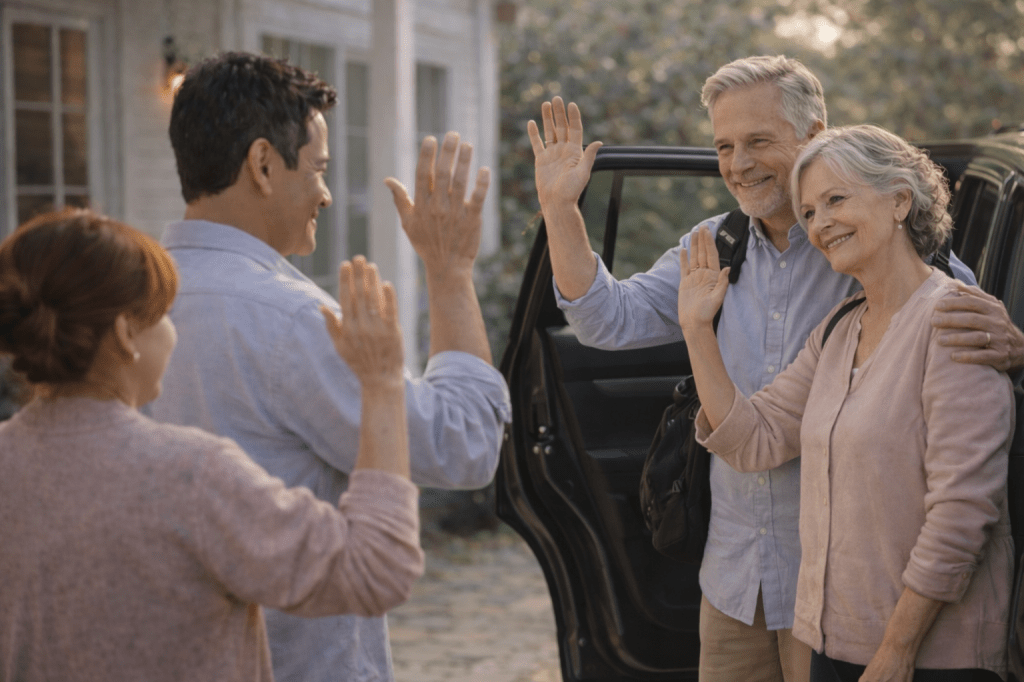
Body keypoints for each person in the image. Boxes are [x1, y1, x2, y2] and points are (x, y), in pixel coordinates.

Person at [529, 55, 1024, 682]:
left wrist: (1017, 345)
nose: (739, 164)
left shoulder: (880, 264)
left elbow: (961, 357)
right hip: (735, 578)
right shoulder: (714, 247)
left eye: (759, 141)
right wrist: (561, 209)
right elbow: (605, 320)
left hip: (849, 593)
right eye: (725, 146)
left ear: (814, 134)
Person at [149, 52, 510, 682]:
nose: (325, 192)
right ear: (263, 164)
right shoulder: (292, 321)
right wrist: (449, 272)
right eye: (317, 168)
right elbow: (463, 444)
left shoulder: (135, 301)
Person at [0, 208, 424, 681]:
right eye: (163, 315)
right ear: (125, 334)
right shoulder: (189, 474)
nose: (172, 330)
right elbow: (375, 568)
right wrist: (383, 385)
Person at [679, 124, 1012, 681]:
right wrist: (696, 328)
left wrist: (897, 650)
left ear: (901, 199)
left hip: (927, 656)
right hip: (832, 642)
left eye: (836, 200)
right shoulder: (838, 329)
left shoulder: (957, 322)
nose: (820, 223)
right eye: (808, 212)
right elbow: (751, 440)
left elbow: (961, 512)